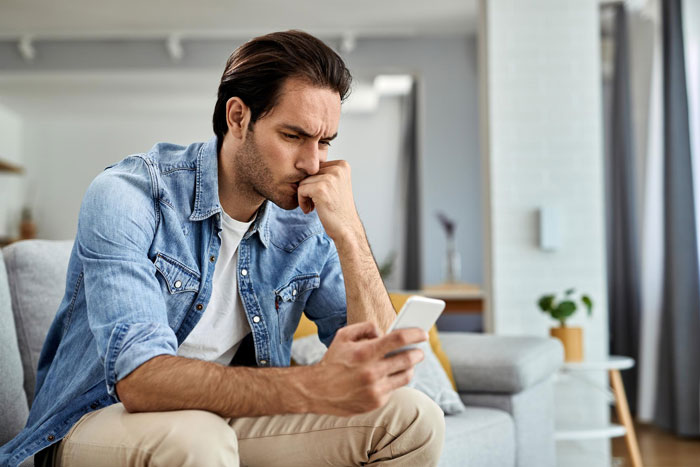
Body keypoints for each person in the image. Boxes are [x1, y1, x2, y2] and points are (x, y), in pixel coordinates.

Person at [0, 30, 445, 467]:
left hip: (229, 419)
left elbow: (385, 365)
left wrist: (349, 232)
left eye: (324, 141)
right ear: (238, 117)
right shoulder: (128, 195)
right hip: (96, 420)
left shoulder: (305, 224)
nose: (313, 163)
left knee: (413, 418)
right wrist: (314, 384)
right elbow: (139, 379)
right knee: (199, 438)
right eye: (293, 136)